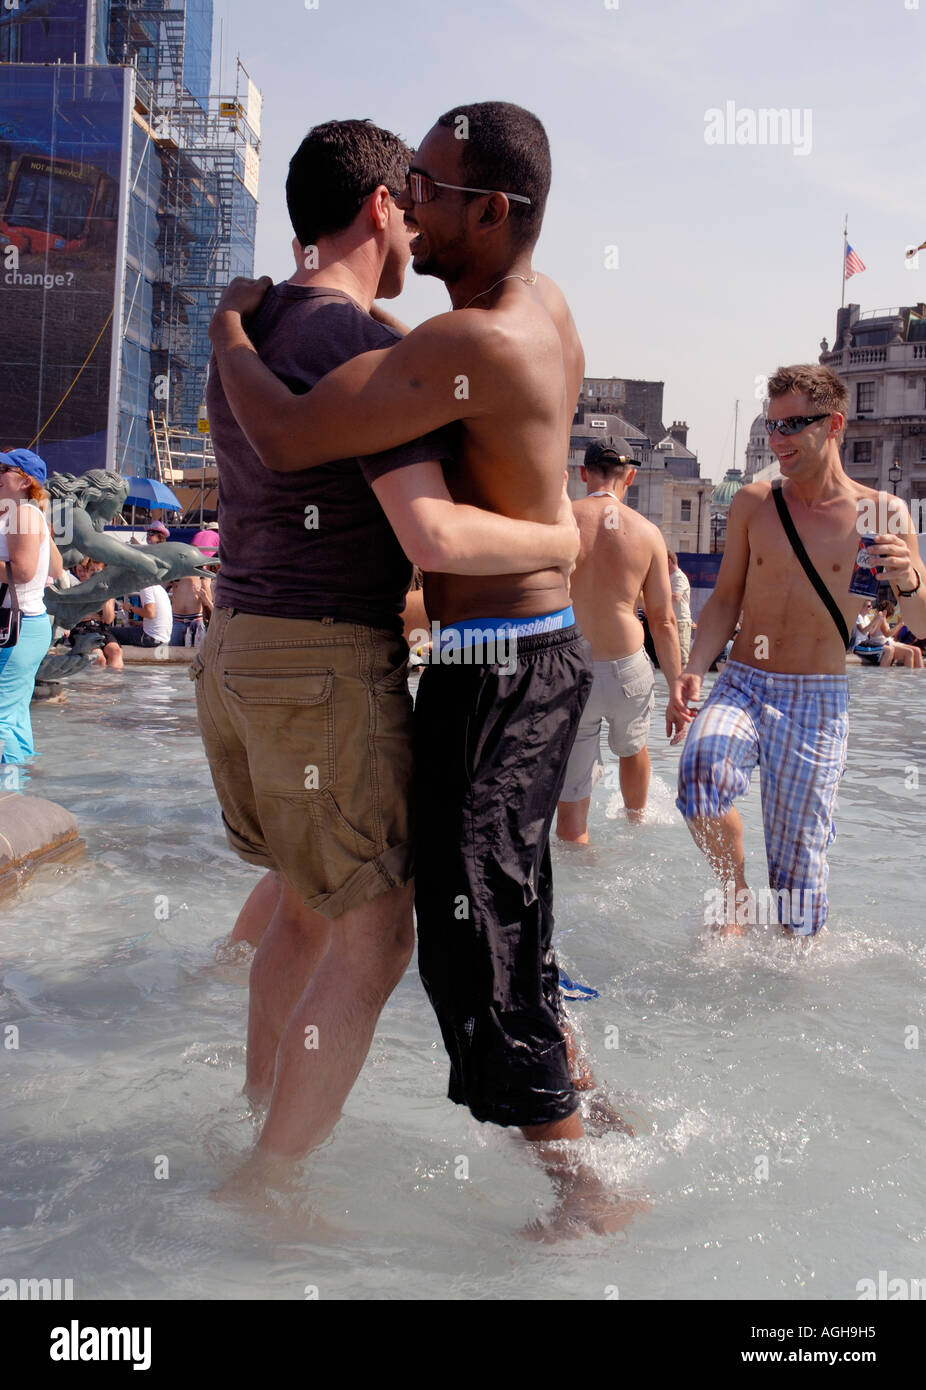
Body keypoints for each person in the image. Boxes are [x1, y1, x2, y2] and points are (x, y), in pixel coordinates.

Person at [210, 103, 636, 1236]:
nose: (412, 202)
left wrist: (227, 338)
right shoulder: (541, 306)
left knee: (468, 940)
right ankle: (589, 1115)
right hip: (518, 662)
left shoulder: (454, 343)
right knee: (503, 913)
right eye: (402, 186)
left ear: (489, 211)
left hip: (495, 669)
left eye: (432, 188)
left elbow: (293, 438)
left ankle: (583, 1190)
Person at [675, 364, 926, 939]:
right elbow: (727, 598)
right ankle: (734, 892)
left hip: (816, 697)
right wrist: (692, 667)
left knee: (798, 890)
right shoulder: (755, 503)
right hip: (743, 679)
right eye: (771, 423)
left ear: (833, 423)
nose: (776, 438)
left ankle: (790, 993)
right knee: (698, 777)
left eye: (792, 425)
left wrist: (909, 578)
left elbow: (918, 622)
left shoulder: (882, 513)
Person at [556, 443, 687, 836]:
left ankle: (579, 848)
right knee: (633, 749)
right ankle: (636, 825)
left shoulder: (562, 523)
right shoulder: (647, 533)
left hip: (572, 667)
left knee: (571, 805)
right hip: (627, 667)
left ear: (583, 473)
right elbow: (664, 621)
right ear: (629, 477)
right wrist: (677, 690)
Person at [0, 448, 54, 763]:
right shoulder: (23, 513)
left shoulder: (23, 513)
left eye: (1, 469)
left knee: (3, 718)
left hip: (15, 628)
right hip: (25, 626)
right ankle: (19, 791)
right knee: (13, 715)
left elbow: (22, 571)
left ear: (24, 481)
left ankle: (8, 801)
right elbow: (56, 570)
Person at [60, 557, 124, 670]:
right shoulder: (79, 590)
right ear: (87, 572)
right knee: (99, 658)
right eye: (92, 570)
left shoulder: (108, 592)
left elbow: (108, 619)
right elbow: (75, 616)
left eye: (98, 570)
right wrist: (96, 615)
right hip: (81, 630)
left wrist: (106, 599)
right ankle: (94, 686)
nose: (95, 574)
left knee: (116, 652)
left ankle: (113, 684)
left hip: (100, 629)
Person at [111, 579, 172, 647]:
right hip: (163, 638)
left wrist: (130, 608)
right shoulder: (160, 588)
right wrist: (138, 623)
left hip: (151, 638)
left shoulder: (146, 588)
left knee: (109, 632)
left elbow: (150, 613)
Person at [667, 550, 692, 665]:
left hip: (680, 621)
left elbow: (676, 597)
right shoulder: (670, 577)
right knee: (671, 657)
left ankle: (683, 682)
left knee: (682, 658)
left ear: (668, 561)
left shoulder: (679, 577)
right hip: (672, 620)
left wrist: (656, 594)